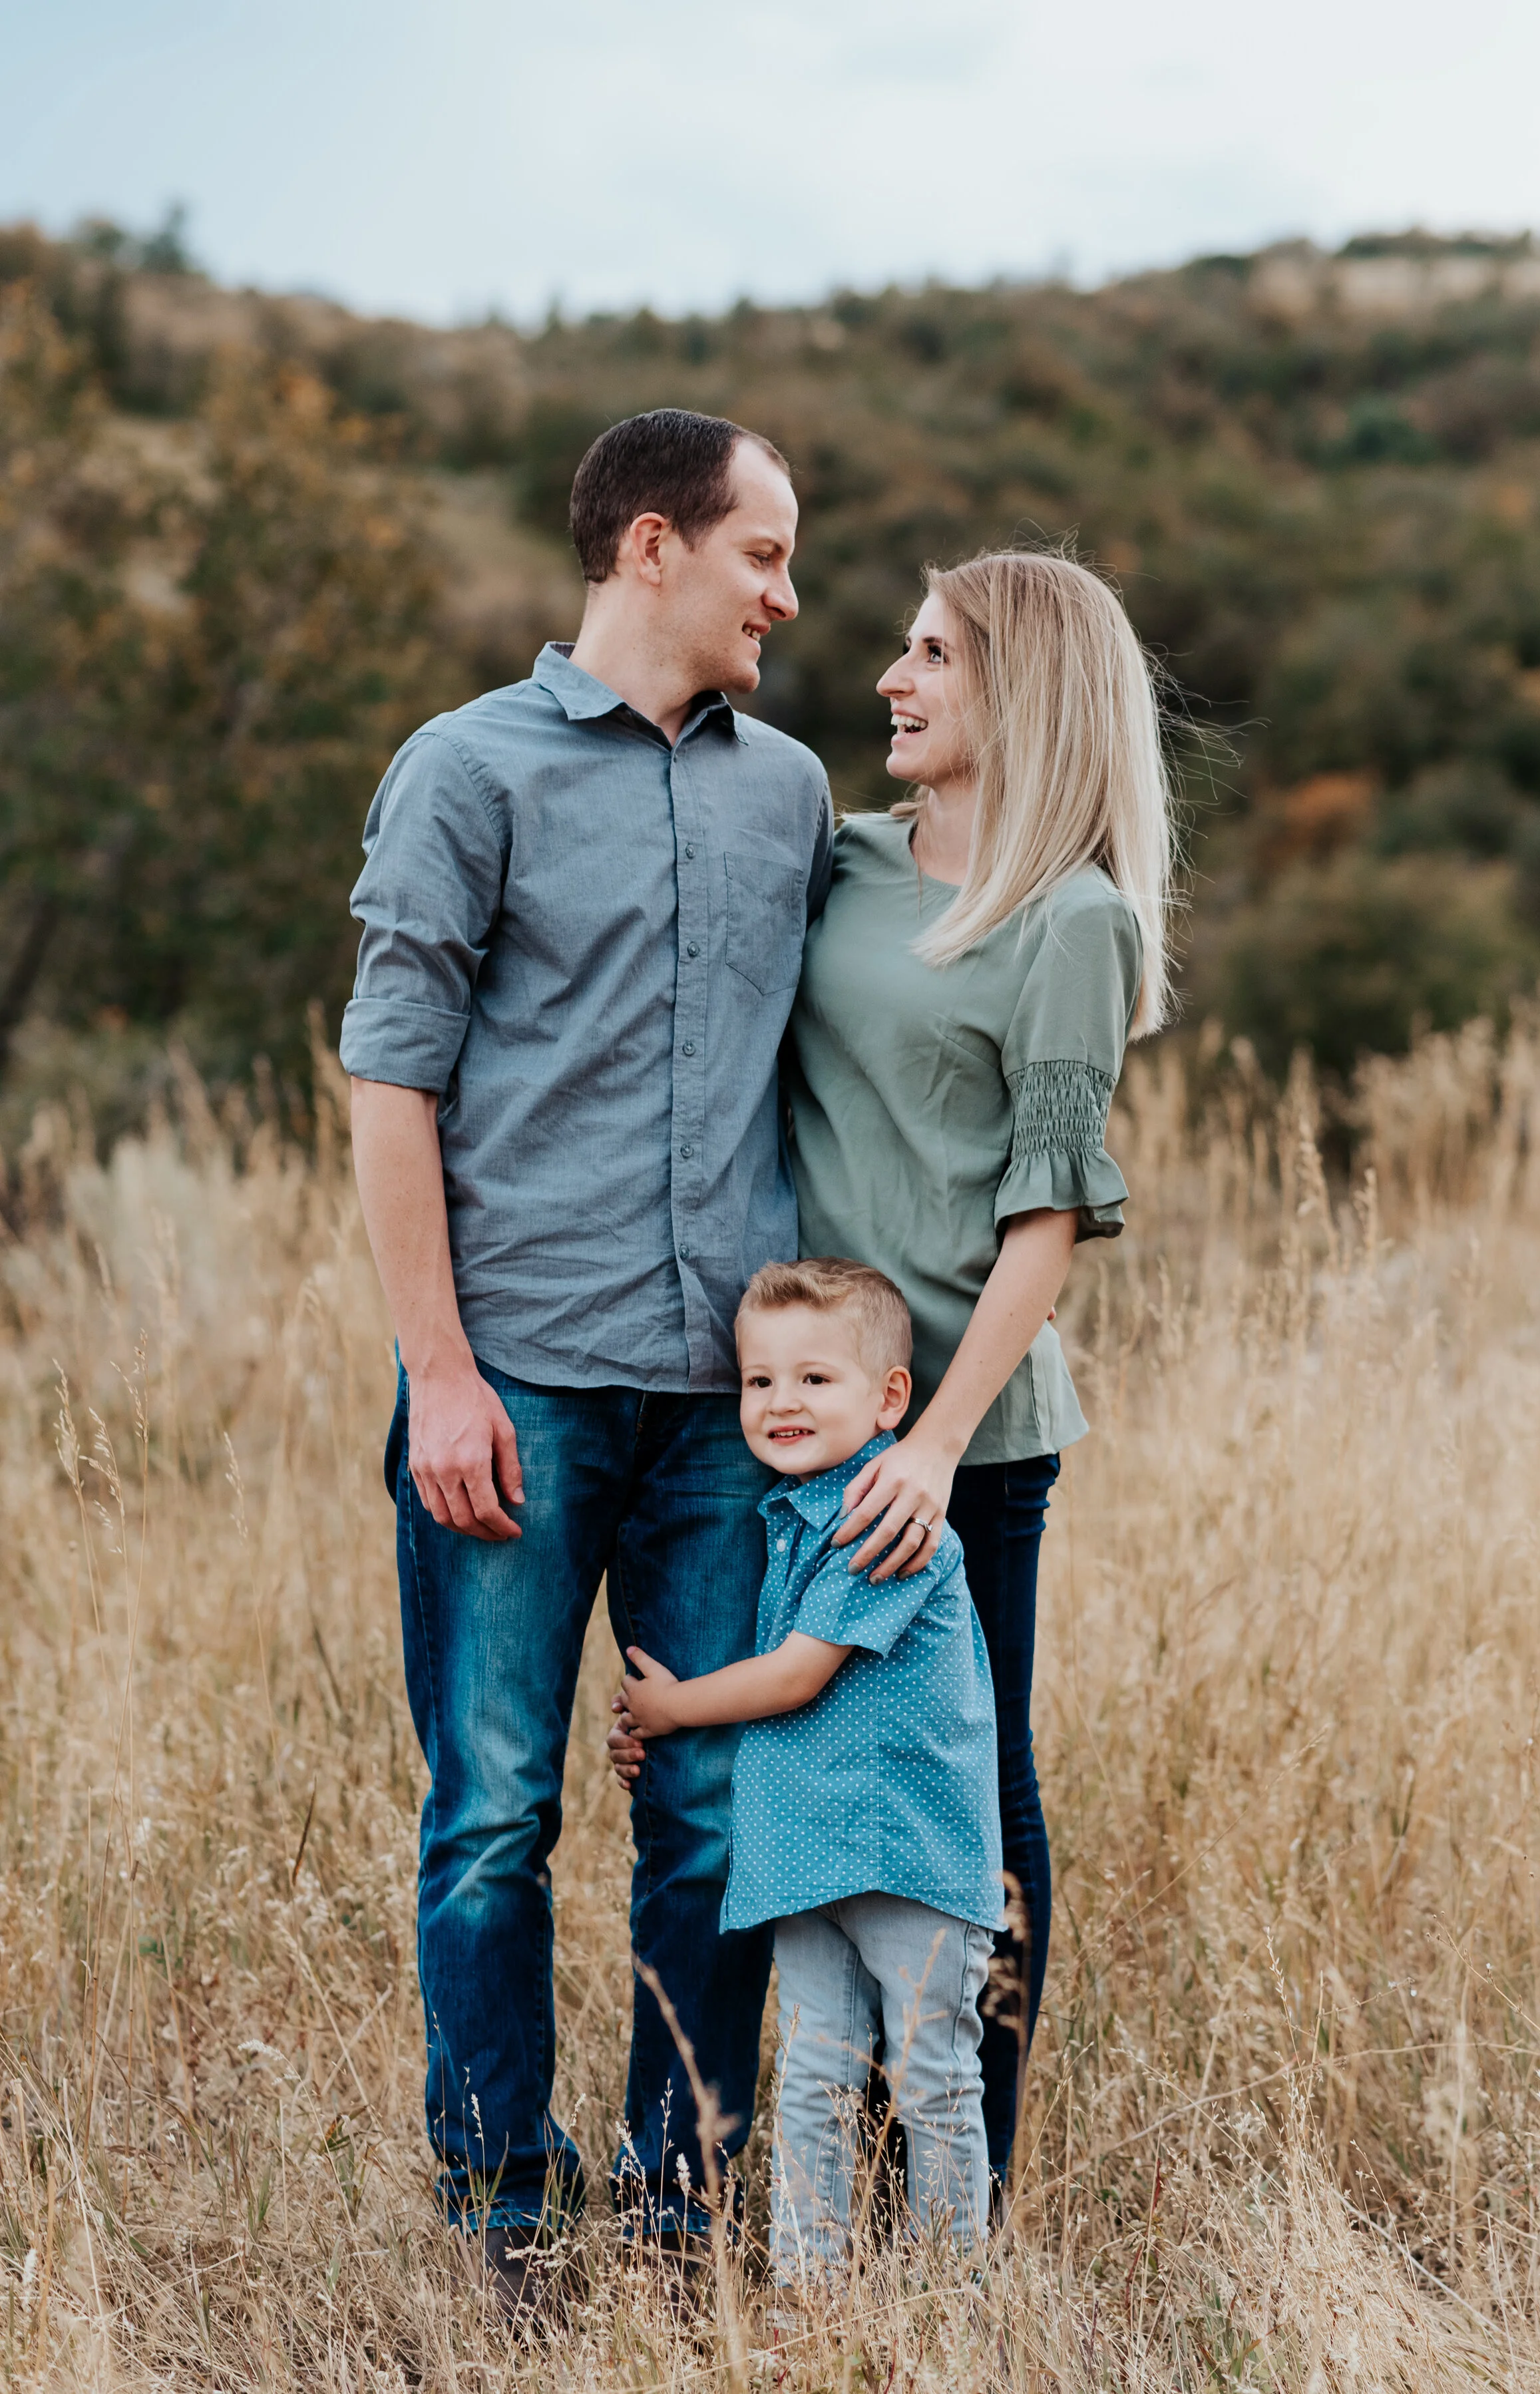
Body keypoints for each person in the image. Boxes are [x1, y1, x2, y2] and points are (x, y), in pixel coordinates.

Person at [341, 407, 833, 2310]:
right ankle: (499, 2225)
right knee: (490, 1812)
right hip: (517, 1386)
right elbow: (391, 1083)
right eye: (763, 554)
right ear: (651, 546)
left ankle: (683, 2212)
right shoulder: (464, 771)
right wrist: (439, 1373)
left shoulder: (787, 792)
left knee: (708, 1814)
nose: (787, 595)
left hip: (728, 1407)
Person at [784, 550, 1176, 2186]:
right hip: (806, 1422)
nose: (892, 674)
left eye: (933, 654)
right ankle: (818, 2153)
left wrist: (932, 1448)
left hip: (966, 1446)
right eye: (904, 647)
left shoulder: (1069, 920)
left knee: (964, 1791)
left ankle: (957, 2178)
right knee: (814, 1783)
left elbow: (1048, 1217)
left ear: (1021, 692)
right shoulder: (843, 867)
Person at [613, 1259, 1004, 2281]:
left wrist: (673, 1708)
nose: (782, 1401)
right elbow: (764, 1688)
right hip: (806, 1852)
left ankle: (952, 2293)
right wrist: (662, 1731)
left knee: (931, 2078)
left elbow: (793, 1678)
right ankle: (809, 2287)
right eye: (760, 1381)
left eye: (814, 1379)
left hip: (909, 1849)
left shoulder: (889, 1520)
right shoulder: (780, 1524)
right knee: (818, 2073)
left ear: (888, 1398)